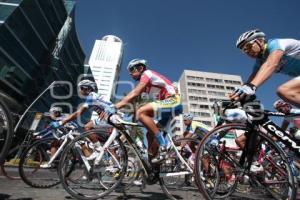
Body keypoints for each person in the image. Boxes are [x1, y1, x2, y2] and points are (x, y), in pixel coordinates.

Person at [115, 58, 182, 163]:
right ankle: (153, 168)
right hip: (168, 107)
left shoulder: (147, 73)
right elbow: (146, 106)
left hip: (174, 101)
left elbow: (135, 93)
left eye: (132, 70)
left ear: (140, 68)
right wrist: (124, 112)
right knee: (149, 134)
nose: (130, 73)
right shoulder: (147, 88)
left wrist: (115, 106)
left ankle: (164, 145)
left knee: (141, 112)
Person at [230, 29, 300, 107]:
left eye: (248, 46)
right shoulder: (260, 61)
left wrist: (251, 87)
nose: (247, 51)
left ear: (259, 41)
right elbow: (252, 78)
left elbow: (271, 64)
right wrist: (238, 94)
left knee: (285, 90)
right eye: (244, 50)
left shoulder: (275, 44)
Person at [49, 79, 116, 160]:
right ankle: (113, 164)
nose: (79, 90)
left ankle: (97, 150)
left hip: (111, 117)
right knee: (105, 143)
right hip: (111, 118)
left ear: (86, 88)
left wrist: (61, 122)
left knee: (88, 127)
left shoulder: (92, 96)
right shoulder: (94, 96)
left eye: (80, 88)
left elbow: (78, 113)